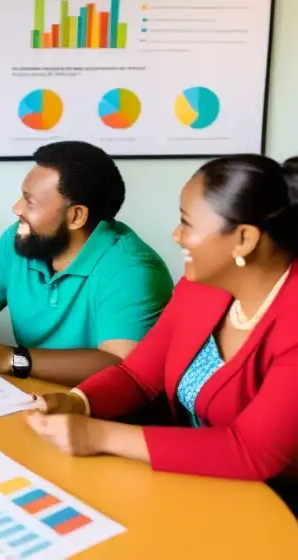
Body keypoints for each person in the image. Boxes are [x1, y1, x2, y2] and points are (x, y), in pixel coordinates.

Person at [26, 154, 298, 512]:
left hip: (274, 508)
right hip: (197, 484)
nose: (176, 235)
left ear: (244, 239)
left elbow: (252, 451)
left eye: (187, 223)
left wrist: (99, 434)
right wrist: (79, 401)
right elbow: (138, 376)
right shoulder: (200, 287)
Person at [0, 141, 174, 386]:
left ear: (76, 216)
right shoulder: (22, 240)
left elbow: (122, 368)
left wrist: (7, 358)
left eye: (30, 201)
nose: (17, 208)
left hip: (104, 417)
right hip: (34, 398)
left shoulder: (132, 270)